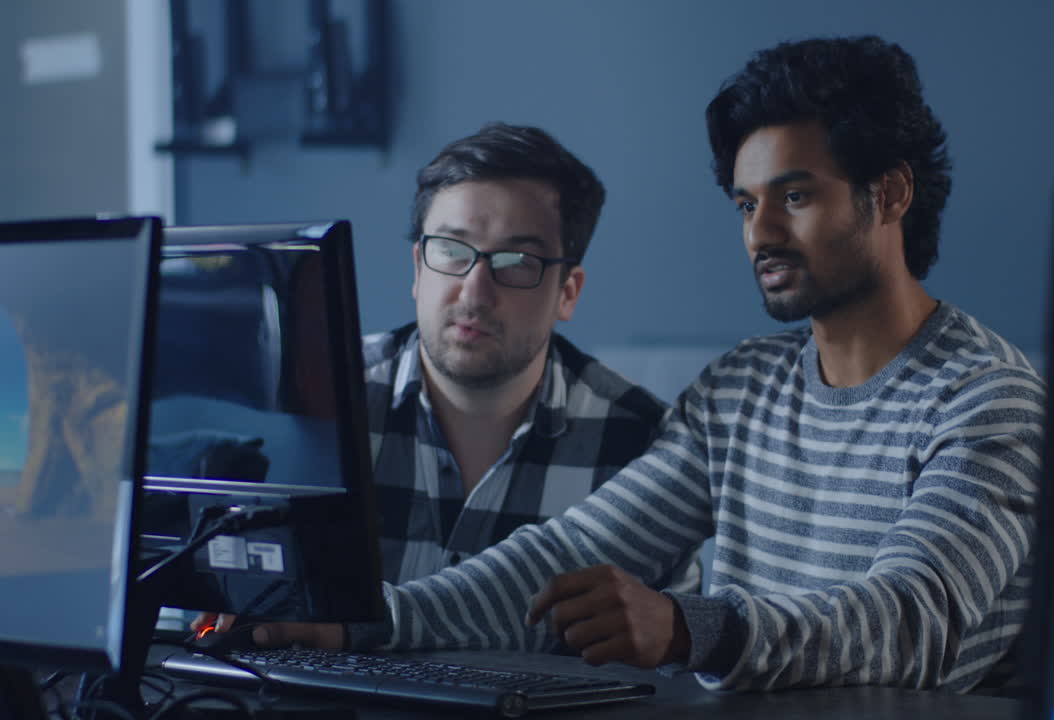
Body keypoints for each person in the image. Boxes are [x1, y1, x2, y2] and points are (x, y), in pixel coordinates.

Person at [234, 36, 1045, 694]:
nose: (760, 234)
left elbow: (907, 624)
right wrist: (365, 623)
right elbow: (563, 557)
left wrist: (692, 625)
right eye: (744, 203)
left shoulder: (988, 399)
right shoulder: (741, 390)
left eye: (794, 197)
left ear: (892, 193)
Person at [193, 122, 699, 635]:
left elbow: (667, 670)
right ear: (417, 269)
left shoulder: (643, 444)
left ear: (567, 292)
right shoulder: (312, 405)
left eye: (517, 261)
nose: (474, 292)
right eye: (452, 252)